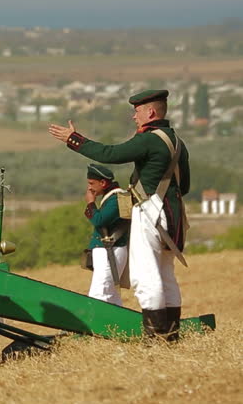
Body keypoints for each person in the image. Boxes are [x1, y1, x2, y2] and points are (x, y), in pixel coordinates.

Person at [49, 89, 190, 341]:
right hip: (173, 214)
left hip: (151, 211)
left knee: (145, 275)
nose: (134, 117)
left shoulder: (150, 139)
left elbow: (110, 154)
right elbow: (185, 185)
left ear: (151, 112)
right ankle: (171, 335)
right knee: (166, 274)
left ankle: (156, 338)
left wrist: (74, 139)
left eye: (137, 111)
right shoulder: (177, 142)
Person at [82, 164, 129, 306]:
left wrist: (91, 203)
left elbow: (99, 220)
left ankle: (91, 328)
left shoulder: (117, 199)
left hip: (110, 250)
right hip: (107, 250)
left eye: (92, 183)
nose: (89, 187)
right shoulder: (112, 198)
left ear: (103, 183)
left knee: (99, 295)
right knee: (111, 297)